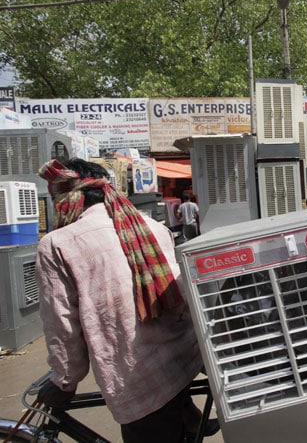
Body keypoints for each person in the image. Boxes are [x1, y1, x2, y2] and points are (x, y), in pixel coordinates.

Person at [35, 158, 205, 443]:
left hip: (139, 380)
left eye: (54, 198)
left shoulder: (57, 244)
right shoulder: (151, 226)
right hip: (182, 361)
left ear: (68, 198)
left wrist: (64, 382)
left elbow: (62, 325)